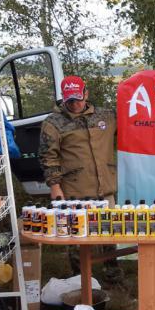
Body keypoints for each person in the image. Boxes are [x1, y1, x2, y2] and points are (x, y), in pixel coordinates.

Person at [39, 75, 125, 282]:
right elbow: (48, 156)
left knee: (109, 233)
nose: (75, 104)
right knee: (76, 238)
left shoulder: (106, 116)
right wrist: (55, 186)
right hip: (74, 190)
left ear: (86, 93)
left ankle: (113, 275)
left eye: (78, 98)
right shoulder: (53, 123)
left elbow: (132, 128)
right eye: (70, 100)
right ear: (63, 98)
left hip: (105, 187)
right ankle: (80, 280)